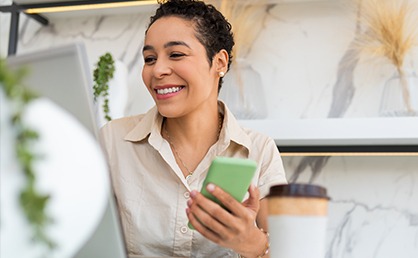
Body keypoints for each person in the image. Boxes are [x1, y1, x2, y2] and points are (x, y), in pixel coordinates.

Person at [99, 0, 287, 257]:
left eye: (176, 54)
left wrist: (253, 243)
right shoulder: (112, 141)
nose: (158, 70)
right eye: (149, 58)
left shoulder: (260, 151)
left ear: (219, 62)